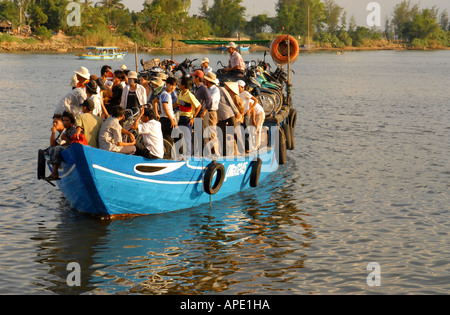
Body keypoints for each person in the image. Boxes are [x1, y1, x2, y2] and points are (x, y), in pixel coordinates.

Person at [44, 112, 77, 181]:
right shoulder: (65, 131)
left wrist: (65, 138)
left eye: (56, 122)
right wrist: (53, 133)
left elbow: (75, 143)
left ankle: (55, 172)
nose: (54, 124)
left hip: (69, 150)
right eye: (64, 120)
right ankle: (53, 171)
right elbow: (53, 144)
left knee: (55, 149)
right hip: (63, 148)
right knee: (48, 150)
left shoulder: (73, 130)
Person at [175, 76, 202, 156]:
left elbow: (199, 106)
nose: (178, 85)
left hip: (187, 119)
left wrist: (193, 117)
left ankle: (189, 155)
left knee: (187, 138)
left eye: (180, 83)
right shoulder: (180, 93)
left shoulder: (190, 95)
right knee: (180, 137)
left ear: (184, 85)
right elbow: (177, 103)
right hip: (181, 117)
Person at [217, 82, 243, 156]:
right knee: (221, 135)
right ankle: (224, 154)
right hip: (219, 116)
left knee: (236, 132)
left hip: (229, 113)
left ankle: (241, 150)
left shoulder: (221, 89)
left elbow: (230, 101)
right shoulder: (210, 91)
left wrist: (236, 112)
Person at [158, 77, 178, 144]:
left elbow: (154, 101)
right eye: (171, 85)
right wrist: (172, 120)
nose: (173, 87)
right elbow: (165, 107)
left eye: (174, 86)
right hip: (167, 119)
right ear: (167, 84)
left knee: (168, 138)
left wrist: (158, 111)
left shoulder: (166, 94)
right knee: (170, 139)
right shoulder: (165, 94)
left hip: (165, 118)